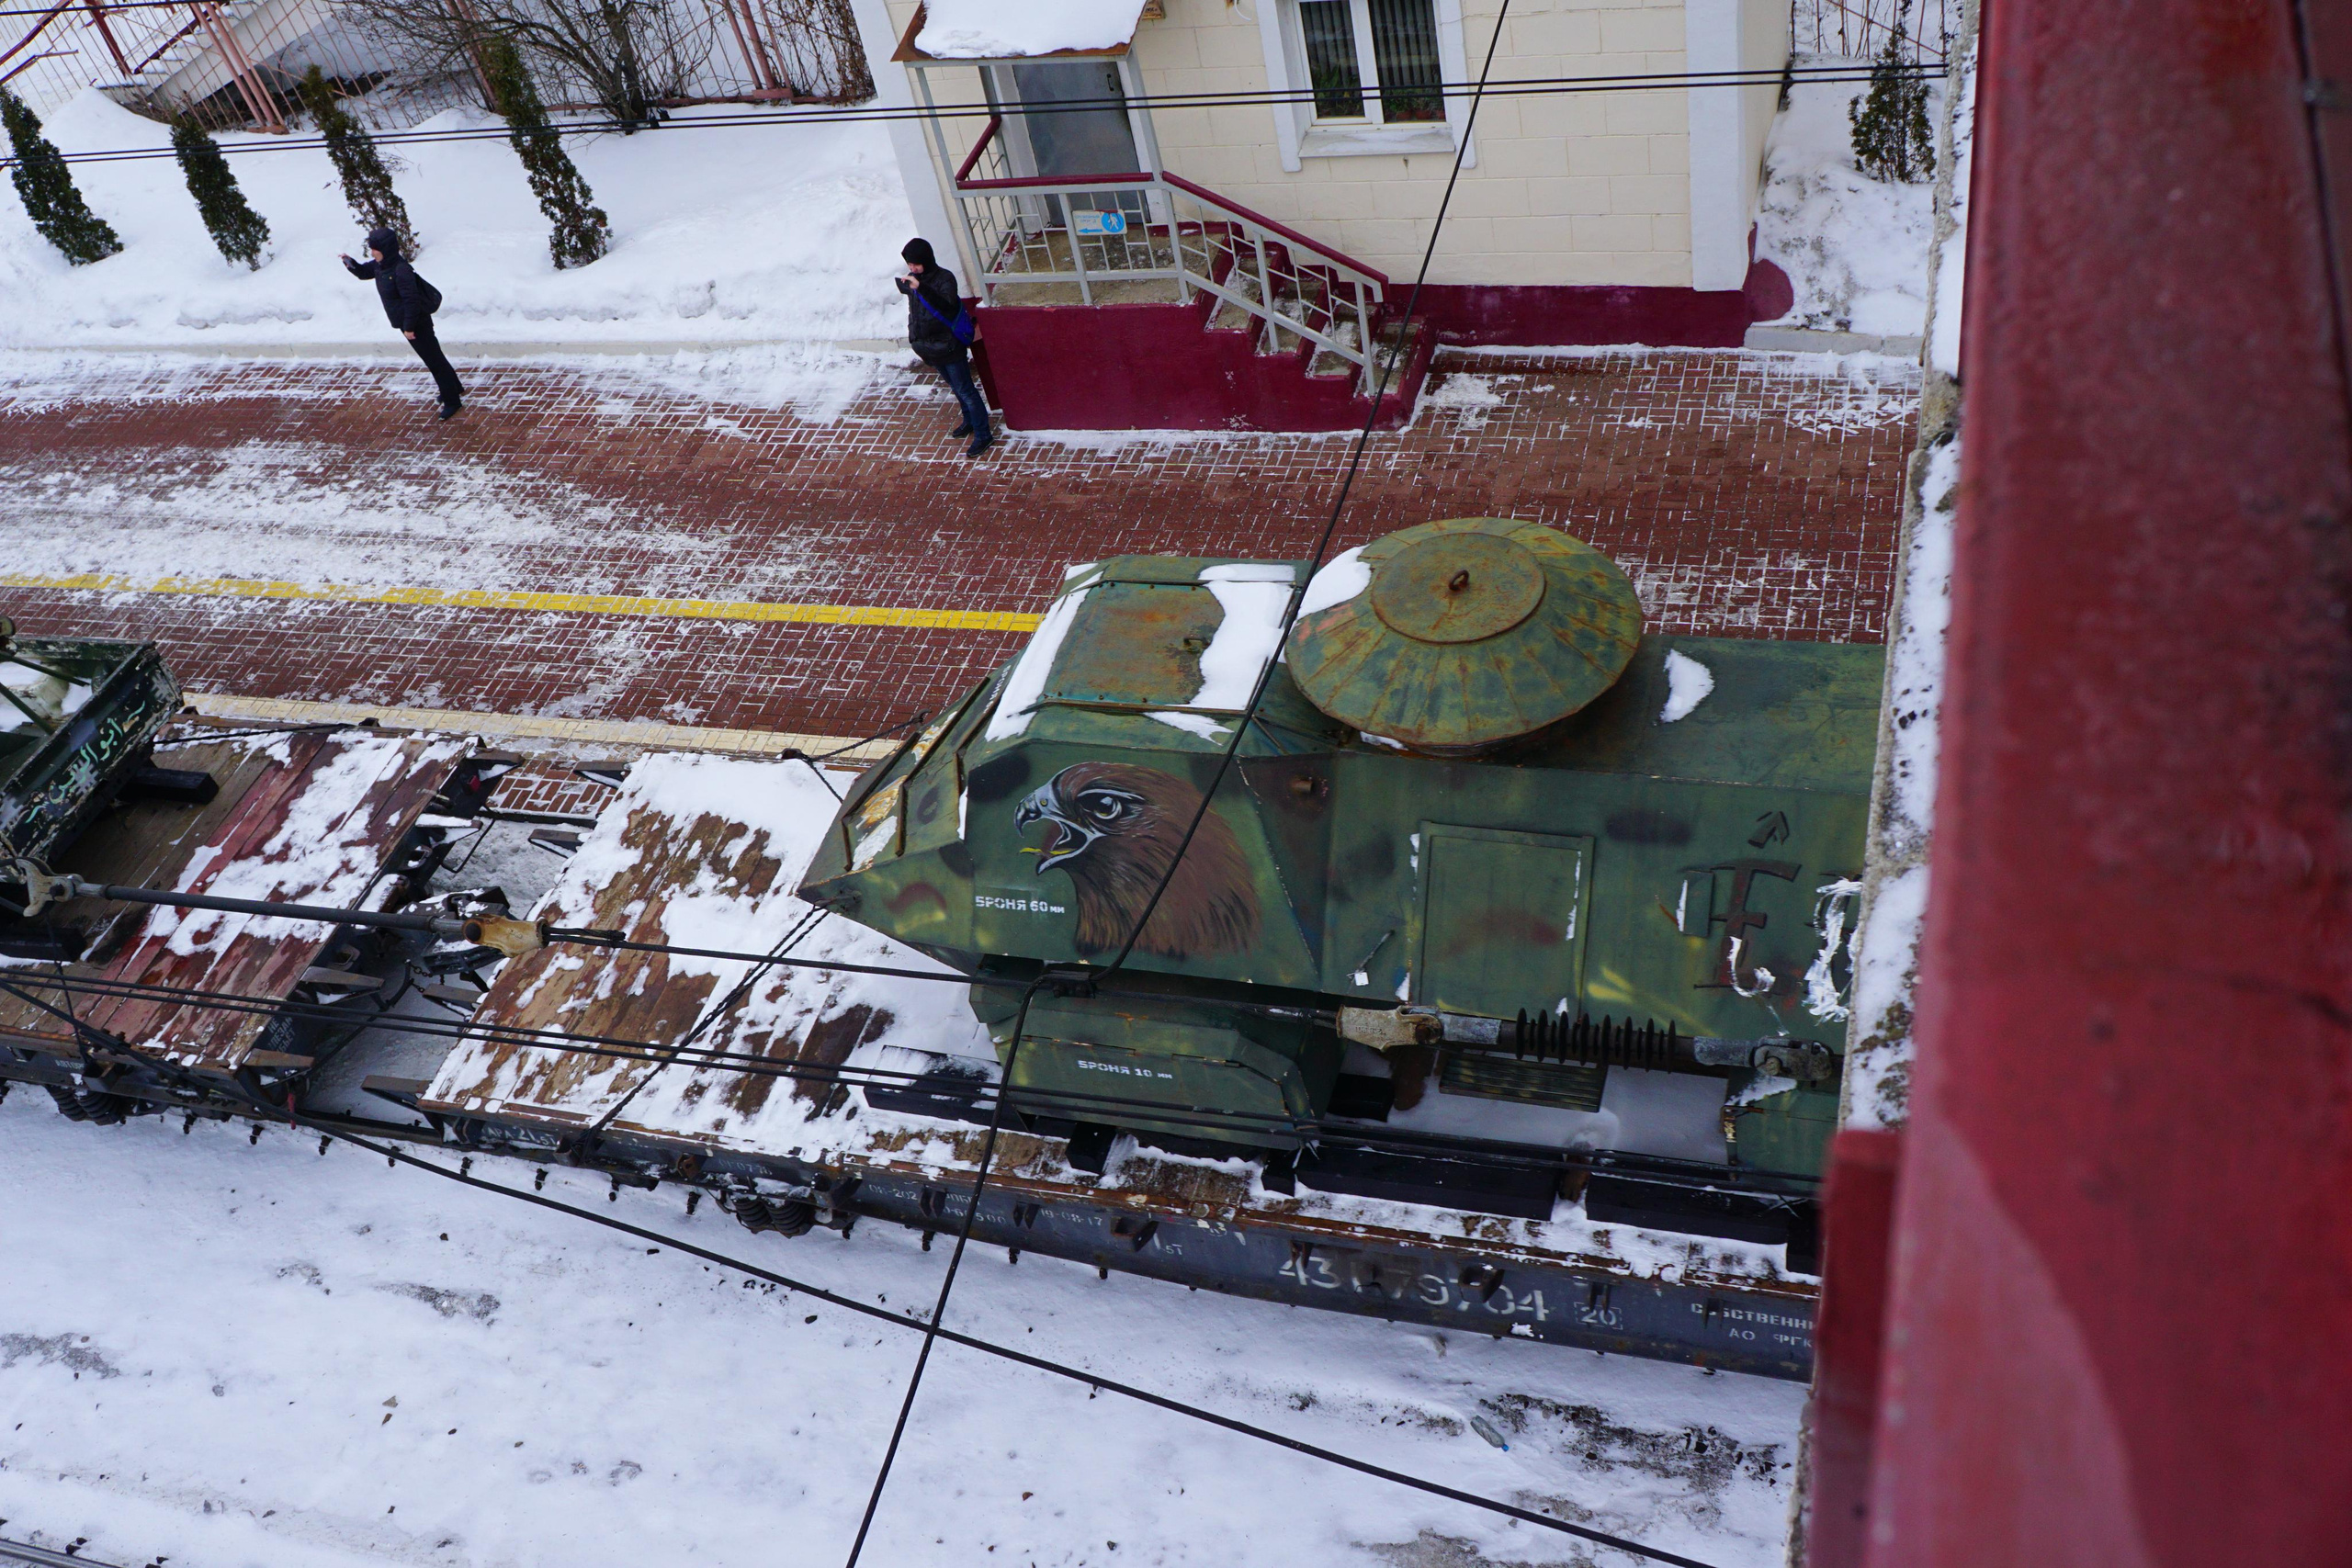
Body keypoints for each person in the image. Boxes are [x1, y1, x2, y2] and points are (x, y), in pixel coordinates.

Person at [340, 227, 463, 420]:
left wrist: (409, 328)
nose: (372, 252)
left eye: (374, 249)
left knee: (434, 361)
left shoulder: (400, 270)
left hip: (416, 323)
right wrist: (350, 264)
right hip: (408, 323)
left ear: (385, 249)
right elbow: (364, 272)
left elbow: (411, 301)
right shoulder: (381, 266)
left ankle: (452, 401)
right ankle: (454, 387)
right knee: (434, 356)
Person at [896, 238, 991, 457]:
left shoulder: (945, 278)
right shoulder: (914, 280)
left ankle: (983, 434)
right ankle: (969, 420)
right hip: (930, 347)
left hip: (949, 346)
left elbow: (946, 306)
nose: (912, 269)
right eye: (909, 265)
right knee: (956, 388)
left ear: (927, 260)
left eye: (916, 264)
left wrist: (922, 288)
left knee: (966, 390)